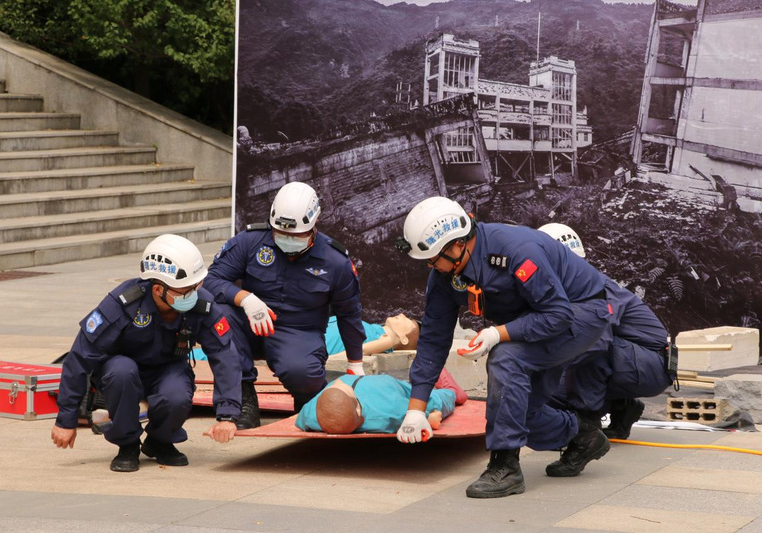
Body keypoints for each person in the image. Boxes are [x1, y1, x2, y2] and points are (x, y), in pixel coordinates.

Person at [394, 196, 615, 499]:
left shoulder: (517, 252)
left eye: (433, 260)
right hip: (536, 318)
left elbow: (558, 314)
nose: (431, 267)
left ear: (457, 245)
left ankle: (505, 467)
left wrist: (498, 334)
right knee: (520, 414)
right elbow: (433, 338)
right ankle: (583, 436)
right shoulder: (446, 274)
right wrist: (416, 410)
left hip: (580, 313)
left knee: (506, 358)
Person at [51, 234, 242, 472]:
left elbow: (225, 355)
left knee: (177, 394)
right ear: (158, 289)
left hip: (168, 368)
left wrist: (227, 416)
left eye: (197, 286)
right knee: (122, 372)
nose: (193, 293)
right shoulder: (124, 303)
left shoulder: (201, 303)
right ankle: (127, 444)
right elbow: (80, 357)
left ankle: (160, 441)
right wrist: (66, 419)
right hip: (120, 369)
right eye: (186, 290)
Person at [204, 181, 366, 429]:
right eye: (281, 233)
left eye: (296, 235)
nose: (288, 239)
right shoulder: (250, 241)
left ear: (314, 225)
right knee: (220, 314)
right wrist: (245, 298)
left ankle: (305, 399)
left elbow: (349, 314)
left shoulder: (335, 261)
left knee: (303, 372)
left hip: (298, 331)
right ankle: (243, 400)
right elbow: (210, 281)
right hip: (250, 324)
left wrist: (355, 363)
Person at [539, 223, 672, 440]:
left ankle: (587, 432)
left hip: (652, 365)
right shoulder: (573, 288)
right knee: (551, 392)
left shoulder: (593, 288)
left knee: (584, 349)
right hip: (634, 360)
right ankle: (622, 407)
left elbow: (597, 341)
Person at [296, 369, 467, 434]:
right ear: (358, 411)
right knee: (428, 400)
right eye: (345, 389)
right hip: (385, 388)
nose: (339, 383)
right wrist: (428, 418)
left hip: (362, 380)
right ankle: (451, 391)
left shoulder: (311, 413)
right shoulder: (387, 412)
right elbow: (417, 415)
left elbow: (300, 419)